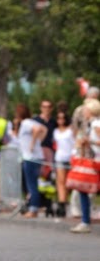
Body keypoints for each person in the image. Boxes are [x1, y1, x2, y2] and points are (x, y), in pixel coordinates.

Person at [70, 98, 100, 233]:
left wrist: (90, 141)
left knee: (84, 189)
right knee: (84, 190)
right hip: (94, 160)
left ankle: (85, 221)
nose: (84, 112)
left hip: (97, 161)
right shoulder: (91, 124)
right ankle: (85, 220)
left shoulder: (96, 124)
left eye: (86, 110)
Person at [15, 103, 47, 219]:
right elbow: (44, 129)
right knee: (32, 183)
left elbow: (37, 129)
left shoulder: (26, 123)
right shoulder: (32, 121)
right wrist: (39, 141)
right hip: (36, 156)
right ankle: (33, 206)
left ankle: (33, 208)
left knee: (31, 184)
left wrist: (33, 143)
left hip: (29, 157)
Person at [53, 110, 75, 218]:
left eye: (63, 118)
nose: (60, 120)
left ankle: (65, 201)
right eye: (58, 118)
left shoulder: (70, 130)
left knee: (69, 183)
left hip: (70, 157)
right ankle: (61, 204)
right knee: (61, 181)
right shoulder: (56, 131)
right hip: (59, 157)